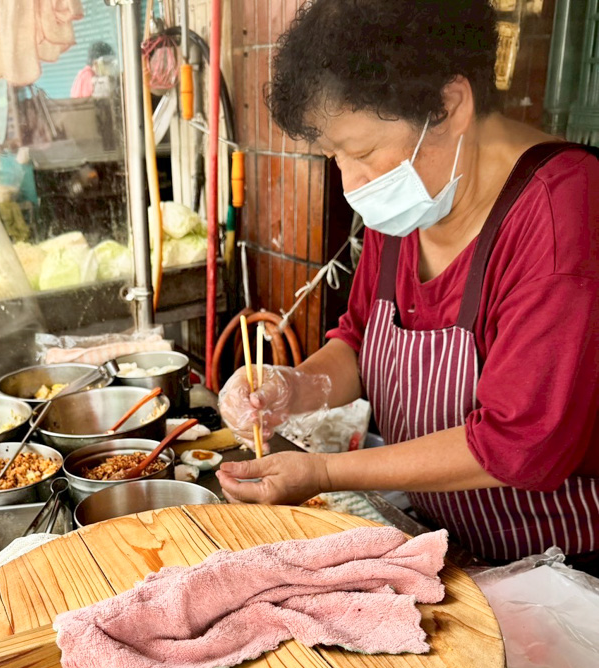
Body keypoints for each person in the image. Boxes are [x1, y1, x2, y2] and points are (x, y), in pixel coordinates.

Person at [217, 0, 599, 569]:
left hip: (559, 570)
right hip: (446, 546)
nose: (353, 182)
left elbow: (520, 445)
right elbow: (359, 338)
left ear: (449, 105)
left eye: (365, 151)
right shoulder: (407, 202)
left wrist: (321, 473)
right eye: (335, 157)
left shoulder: (563, 210)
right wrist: (293, 388)